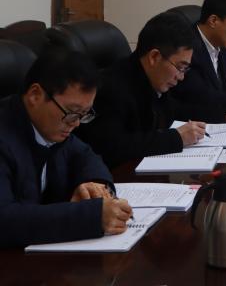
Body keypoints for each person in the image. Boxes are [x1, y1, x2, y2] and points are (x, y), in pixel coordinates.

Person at [77, 12, 226, 169]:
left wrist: (224, 116)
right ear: (154, 57)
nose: (181, 76)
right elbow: (112, 147)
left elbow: (176, 109)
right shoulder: (112, 88)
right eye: (180, 67)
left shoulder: (151, 77)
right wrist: (176, 138)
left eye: (186, 69)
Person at [0, 47, 134, 248]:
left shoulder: (51, 126)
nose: (77, 123)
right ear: (35, 95)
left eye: (84, 114)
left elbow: (85, 155)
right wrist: (92, 216)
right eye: (72, 112)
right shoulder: (6, 135)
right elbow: (5, 220)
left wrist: (93, 184)